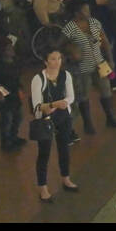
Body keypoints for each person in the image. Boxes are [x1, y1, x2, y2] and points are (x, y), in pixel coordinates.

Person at [61, 0, 116, 134]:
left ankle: (110, 117)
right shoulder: (69, 29)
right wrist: (70, 52)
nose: (88, 11)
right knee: (83, 95)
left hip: (99, 63)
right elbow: (60, 45)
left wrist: (110, 60)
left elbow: (105, 42)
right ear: (77, 13)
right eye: (85, 10)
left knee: (105, 90)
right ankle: (88, 123)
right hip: (82, 68)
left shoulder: (95, 23)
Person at [30, 49, 79, 202]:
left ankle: (66, 177)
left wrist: (63, 104)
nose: (57, 61)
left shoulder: (66, 75)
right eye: (52, 59)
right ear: (45, 61)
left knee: (64, 147)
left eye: (59, 58)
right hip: (46, 119)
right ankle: (43, 187)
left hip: (62, 116)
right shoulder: (38, 79)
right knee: (44, 153)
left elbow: (70, 96)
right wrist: (53, 104)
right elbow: (37, 105)